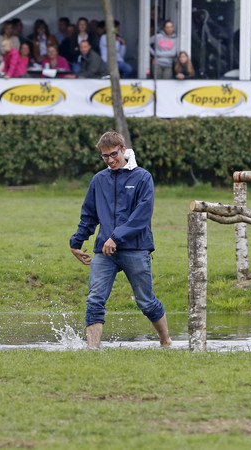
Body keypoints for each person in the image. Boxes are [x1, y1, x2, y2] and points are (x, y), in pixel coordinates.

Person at [69, 131, 172, 349]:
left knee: (146, 302)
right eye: (105, 156)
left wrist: (115, 237)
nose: (110, 159)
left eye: (113, 154)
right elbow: (89, 215)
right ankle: (92, 350)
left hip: (136, 249)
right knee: (95, 300)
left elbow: (141, 216)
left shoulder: (143, 177)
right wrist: (76, 243)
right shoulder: (99, 180)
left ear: (123, 149)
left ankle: (166, 341)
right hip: (104, 252)